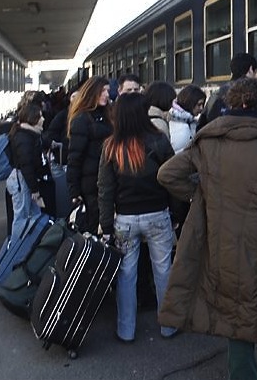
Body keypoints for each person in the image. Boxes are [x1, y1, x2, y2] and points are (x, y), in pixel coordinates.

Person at [157, 78, 257, 380]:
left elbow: (167, 174)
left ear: (235, 105)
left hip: (223, 249)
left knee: (237, 321)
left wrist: (200, 195)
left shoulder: (209, 140)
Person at [97, 92, 177, 341]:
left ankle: (126, 330)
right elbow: (173, 179)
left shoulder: (111, 146)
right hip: (158, 215)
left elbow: (105, 188)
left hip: (125, 220)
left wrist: (107, 225)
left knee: (126, 274)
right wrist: (175, 213)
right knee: (163, 270)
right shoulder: (160, 140)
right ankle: (168, 326)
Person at [67, 76, 112, 235]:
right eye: (102, 91)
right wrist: (74, 191)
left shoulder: (107, 115)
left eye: (107, 90)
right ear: (91, 92)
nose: (107, 94)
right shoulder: (81, 119)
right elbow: (74, 158)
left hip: (106, 179)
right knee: (95, 224)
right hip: (91, 183)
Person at [6, 103, 49, 243]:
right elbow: (26, 165)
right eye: (40, 116)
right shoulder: (24, 138)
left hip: (24, 180)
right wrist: (34, 189)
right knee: (22, 217)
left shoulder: (28, 135)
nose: (43, 119)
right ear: (32, 118)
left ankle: (28, 246)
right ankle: (16, 248)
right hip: (23, 181)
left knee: (34, 215)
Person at [196, 52, 257, 130]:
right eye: (255, 72)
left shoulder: (217, 95)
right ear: (251, 69)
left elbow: (201, 126)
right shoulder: (256, 95)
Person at [167, 84, 205, 154]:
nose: (201, 108)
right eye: (199, 104)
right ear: (190, 102)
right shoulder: (182, 125)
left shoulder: (184, 121)